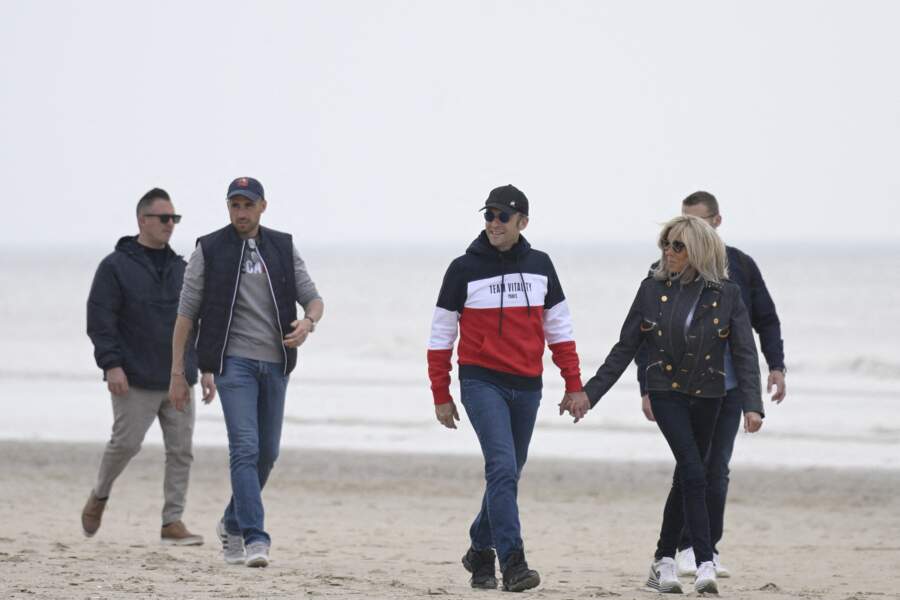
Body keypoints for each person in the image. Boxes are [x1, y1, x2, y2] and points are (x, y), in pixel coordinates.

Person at [562, 215, 764, 594]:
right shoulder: (650, 291)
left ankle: (663, 561)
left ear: (699, 251)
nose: (668, 252)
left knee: (686, 476)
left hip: (709, 394)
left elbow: (744, 353)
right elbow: (624, 349)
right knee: (694, 469)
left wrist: (752, 405)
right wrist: (589, 393)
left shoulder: (728, 294)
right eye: (666, 245)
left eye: (677, 246)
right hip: (666, 391)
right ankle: (705, 561)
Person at [427, 184, 589, 592]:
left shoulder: (541, 265)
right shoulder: (463, 268)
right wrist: (441, 393)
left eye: (503, 216)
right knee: (501, 468)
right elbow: (440, 335)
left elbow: (560, 330)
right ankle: (513, 563)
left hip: (528, 386)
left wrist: (574, 384)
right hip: (481, 381)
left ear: (522, 222)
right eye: (489, 216)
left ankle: (479, 551)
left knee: (508, 474)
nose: (494, 223)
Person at [169, 176, 323, 568]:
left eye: (247, 205)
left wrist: (308, 323)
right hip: (232, 363)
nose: (241, 212)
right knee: (245, 448)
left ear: (262, 207)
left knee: (267, 453)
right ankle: (255, 537)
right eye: (234, 205)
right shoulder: (210, 248)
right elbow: (186, 315)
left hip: (275, 362)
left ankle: (230, 522)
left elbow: (313, 297)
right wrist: (179, 372)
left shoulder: (282, 246)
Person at [636, 191, 787, 579]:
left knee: (714, 467)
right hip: (680, 386)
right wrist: (646, 388)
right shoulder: (666, 266)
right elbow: (646, 335)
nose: (684, 236)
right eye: (683, 222)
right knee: (691, 466)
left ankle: (703, 550)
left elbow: (765, 320)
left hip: (729, 387)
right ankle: (682, 550)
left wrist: (777, 366)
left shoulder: (740, 267)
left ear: (717, 222)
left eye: (698, 223)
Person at [83, 187, 204, 546]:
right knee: (126, 444)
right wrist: (112, 365)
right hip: (134, 376)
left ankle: (172, 521)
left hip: (178, 378)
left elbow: (196, 322)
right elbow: (100, 319)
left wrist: (205, 368)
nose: (171, 225)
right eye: (164, 218)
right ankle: (100, 495)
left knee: (181, 450)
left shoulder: (183, 268)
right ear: (142, 220)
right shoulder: (115, 267)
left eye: (174, 219)